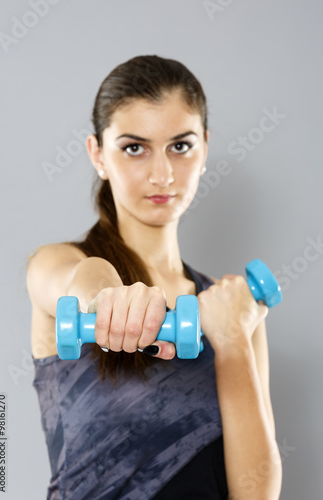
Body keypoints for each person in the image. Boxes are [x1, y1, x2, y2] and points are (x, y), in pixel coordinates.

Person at [26, 55, 282, 500]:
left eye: (180, 147)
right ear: (97, 154)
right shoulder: (56, 262)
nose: (162, 174)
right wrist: (106, 297)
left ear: (205, 148)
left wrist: (234, 341)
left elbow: (257, 494)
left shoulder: (233, 310)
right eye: (134, 148)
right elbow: (79, 280)